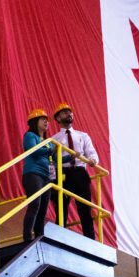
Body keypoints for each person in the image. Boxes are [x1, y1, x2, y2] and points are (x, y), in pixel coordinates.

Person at [51, 102, 99, 239]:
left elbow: (91, 152)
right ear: (58, 118)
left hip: (80, 173)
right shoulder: (53, 139)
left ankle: (90, 240)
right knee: (61, 208)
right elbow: (52, 160)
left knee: (85, 208)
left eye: (70, 112)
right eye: (65, 112)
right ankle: (58, 238)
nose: (69, 114)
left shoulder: (82, 136)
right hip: (63, 174)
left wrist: (93, 160)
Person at [22, 108, 52, 242]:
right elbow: (34, 151)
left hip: (46, 177)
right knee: (35, 204)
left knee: (43, 209)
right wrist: (51, 150)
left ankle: (39, 237)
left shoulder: (49, 142)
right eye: (43, 119)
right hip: (33, 173)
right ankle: (28, 237)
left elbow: (55, 159)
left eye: (47, 120)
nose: (46, 122)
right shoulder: (29, 136)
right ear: (35, 121)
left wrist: (73, 158)